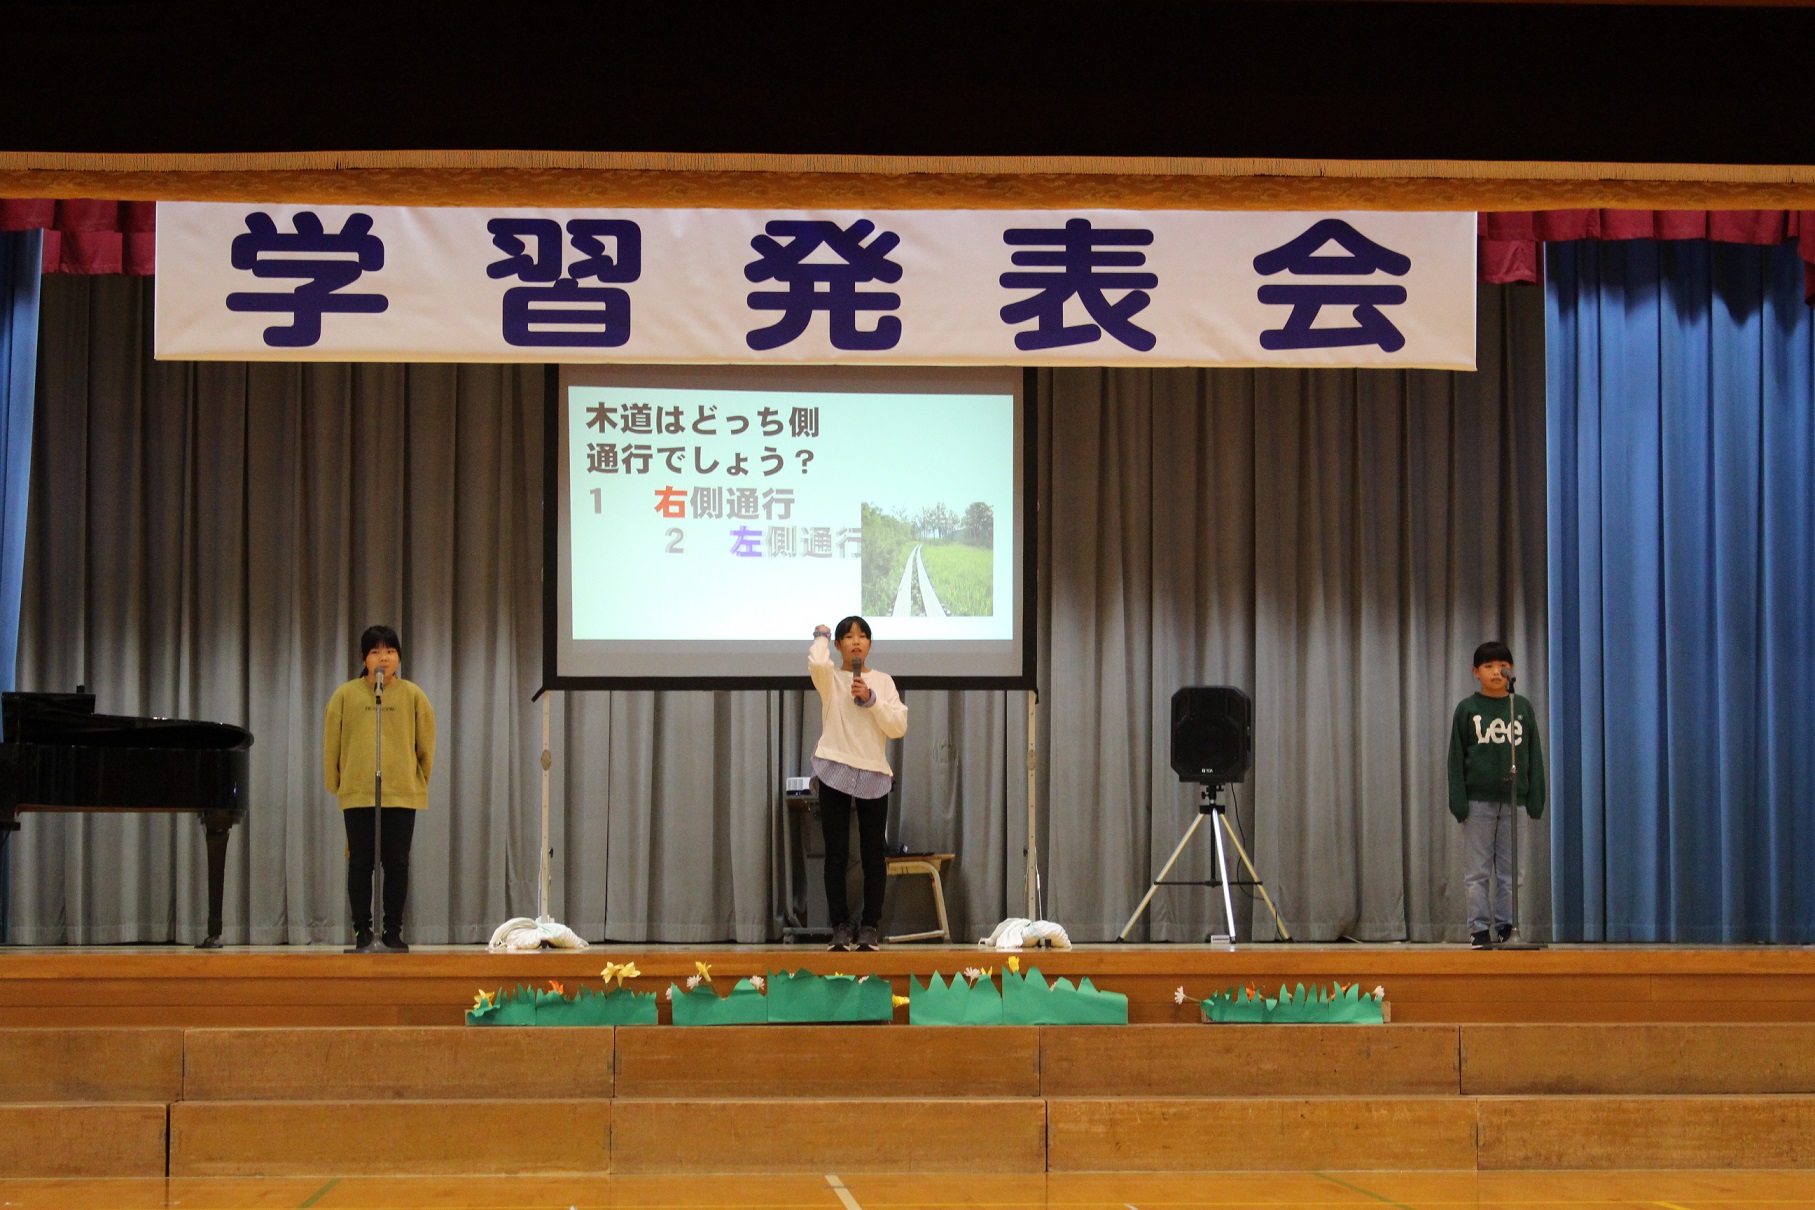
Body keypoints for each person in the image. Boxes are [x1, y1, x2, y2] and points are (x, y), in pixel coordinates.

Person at [323, 625, 436, 952]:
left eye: (389, 650)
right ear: (363, 658)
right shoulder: (345, 695)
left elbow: (426, 745)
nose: (382, 656)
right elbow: (331, 742)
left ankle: (392, 932)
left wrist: (416, 781)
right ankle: (362, 932)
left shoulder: (413, 695)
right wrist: (337, 784)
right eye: (375, 651)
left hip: (401, 791)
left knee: (397, 862)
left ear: (399, 657)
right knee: (360, 862)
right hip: (358, 791)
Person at [809, 616, 909, 951]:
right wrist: (821, 636)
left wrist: (872, 700)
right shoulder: (831, 679)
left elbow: (898, 726)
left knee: (872, 855)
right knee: (836, 854)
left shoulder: (882, 681)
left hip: (872, 773)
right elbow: (817, 662)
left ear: (869, 644)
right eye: (848, 637)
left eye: (863, 636)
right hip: (835, 767)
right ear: (839, 645)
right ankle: (839, 925)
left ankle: (869, 926)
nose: (856, 641)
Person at [1447, 640, 1545, 949]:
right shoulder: (1467, 709)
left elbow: (1534, 754)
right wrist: (1458, 799)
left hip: (1514, 799)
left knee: (1511, 871)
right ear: (1476, 672)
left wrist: (1535, 796)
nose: (1495, 672)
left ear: (1510, 670)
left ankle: (1507, 926)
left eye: (1501, 665)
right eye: (1487, 666)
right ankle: (1478, 930)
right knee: (1477, 872)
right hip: (1477, 800)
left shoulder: (1521, 707)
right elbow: (1455, 757)